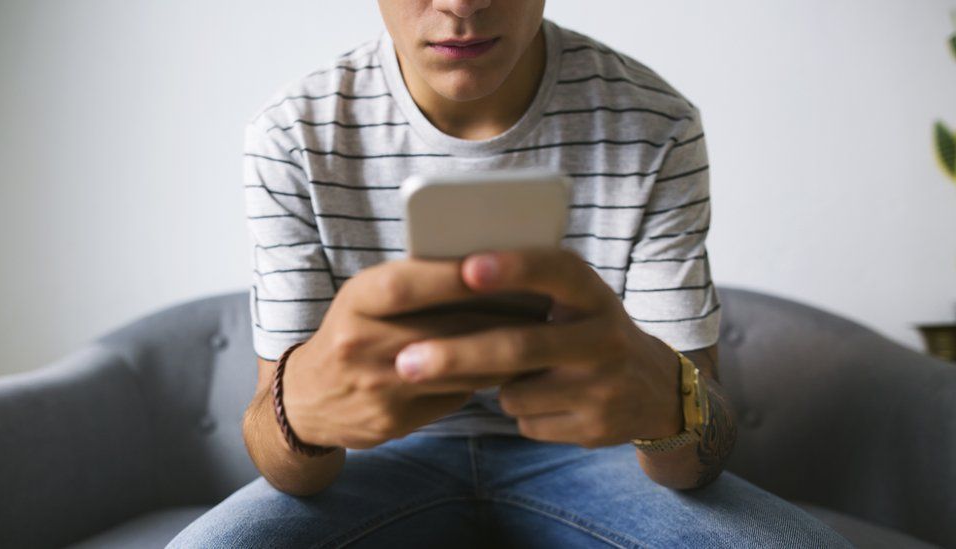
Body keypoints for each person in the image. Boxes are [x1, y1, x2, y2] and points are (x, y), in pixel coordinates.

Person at [168, 1, 853, 547]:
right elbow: (281, 453)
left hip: (603, 457)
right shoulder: (293, 132)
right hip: (376, 460)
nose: (462, 5)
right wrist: (304, 414)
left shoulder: (657, 124)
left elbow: (700, 449)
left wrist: (664, 401)